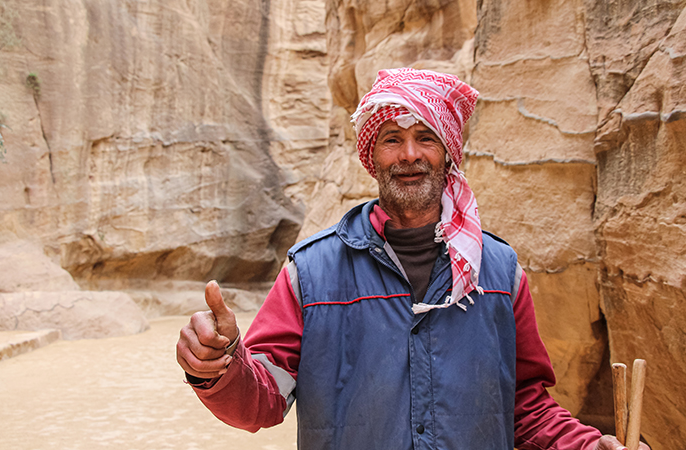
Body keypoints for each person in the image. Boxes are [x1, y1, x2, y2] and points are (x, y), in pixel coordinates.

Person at [176, 68, 649, 450]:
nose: (409, 155)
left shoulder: (500, 271)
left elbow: (523, 405)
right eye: (391, 140)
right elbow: (262, 401)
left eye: (426, 137)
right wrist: (217, 365)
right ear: (372, 157)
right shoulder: (312, 272)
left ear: (448, 153)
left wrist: (587, 445)